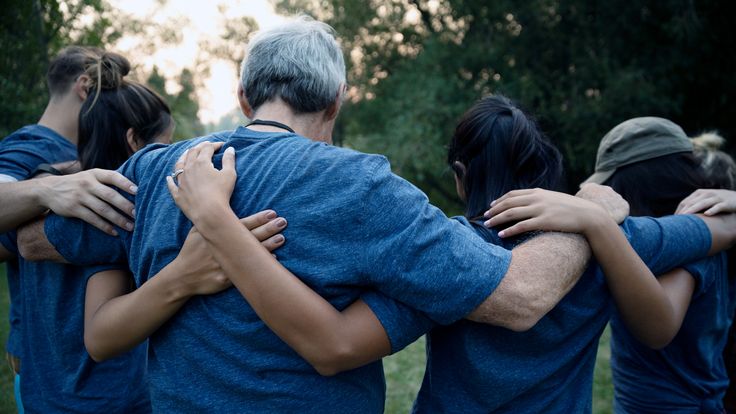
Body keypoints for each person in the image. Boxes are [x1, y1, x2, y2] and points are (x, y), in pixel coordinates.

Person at [15, 17, 733, 413]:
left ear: (243, 96)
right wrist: (592, 212)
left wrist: (49, 198)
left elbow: (39, 241)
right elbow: (518, 296)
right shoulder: (363, 189)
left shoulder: (152, 173)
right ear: (335, 104)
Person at [167, 96, 736, 413]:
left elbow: (336, 342)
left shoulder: (442, 254)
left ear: (461, 176)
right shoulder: (616, 240)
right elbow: (714, 230)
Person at [0, 46, 138, 411]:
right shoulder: (32, 147)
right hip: (56, 372)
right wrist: (47, 189)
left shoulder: (87, 147)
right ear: (84, 85)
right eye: (110, 94)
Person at [585, 117, 736, 413]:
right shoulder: (707, 229)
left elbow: (658, 329)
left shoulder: (689, 244)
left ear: (630, 186)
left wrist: (599, 230)